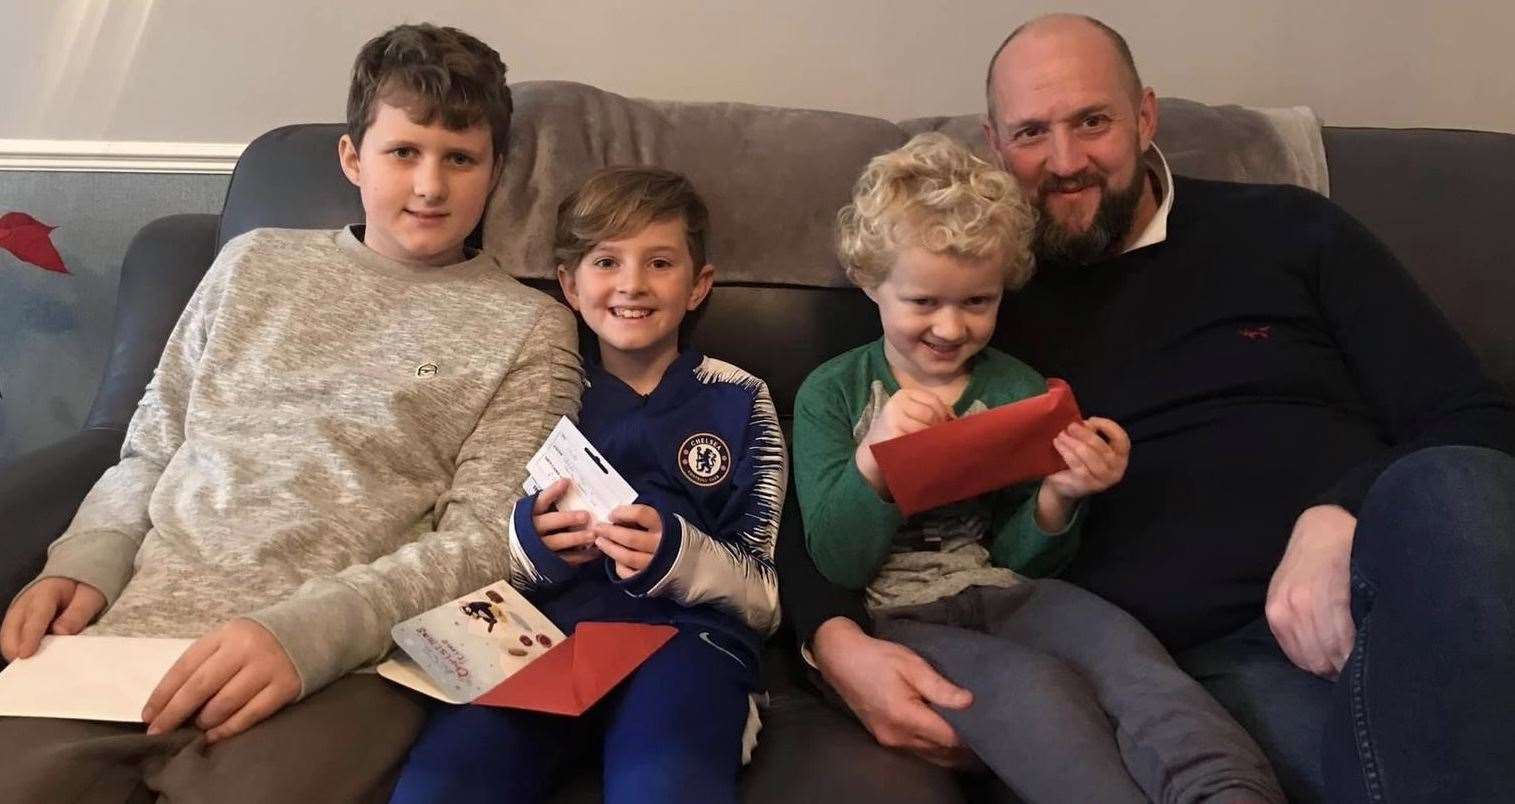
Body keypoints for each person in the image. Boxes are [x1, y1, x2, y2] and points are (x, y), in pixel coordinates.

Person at [785, 13, 1515, 804]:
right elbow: (818, 486)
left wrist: (1338, 516)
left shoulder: (1288, 228)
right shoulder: (976, 292)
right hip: (1201, 659)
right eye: (1031, 132)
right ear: (996, 145)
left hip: (1387, 580)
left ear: (1144, 117)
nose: (1065, 162)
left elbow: (1472, 416)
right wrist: (833, 644)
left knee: (1455, 484)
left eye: (1091, 121)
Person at [0, 23, 582, 803]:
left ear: (495, 171)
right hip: (131, 634)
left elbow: (489, 543)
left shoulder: (529, 328)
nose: (431, 187)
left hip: (341, 662)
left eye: (460, 159)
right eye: (403, 152)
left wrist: (315, 632)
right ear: (353, 158)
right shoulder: (252, 262)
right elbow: (151, 442)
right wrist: (88, 553)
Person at [793, 132, 1281, 803]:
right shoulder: (833, 391)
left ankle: (1225, 790)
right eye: (921, 302)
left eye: (976, 302)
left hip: (1005, 591)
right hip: (900, 617)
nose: (949, 328)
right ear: (869, 284)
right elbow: (836, 560)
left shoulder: (1014, 387)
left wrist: (1058, 496)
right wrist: (876, 464)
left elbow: (1019, 560)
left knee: (1128, 656)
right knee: (1032, 693)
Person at [390, 166, 784, 804]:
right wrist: (533, 544)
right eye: (606, 261)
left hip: (688, 641)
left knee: (665, 786)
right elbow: (478, 532)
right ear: (570, 286)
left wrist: (676, 555)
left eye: (660, 262)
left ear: (698, 285)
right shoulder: (543, 387)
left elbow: (764, 597)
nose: (632, 284)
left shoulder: (740, 398)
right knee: (441, 784)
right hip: (546, 637)